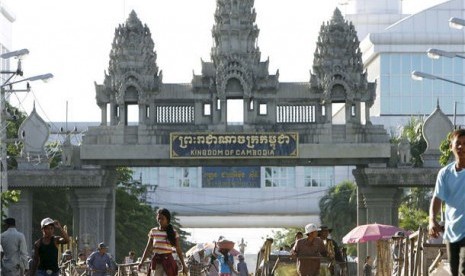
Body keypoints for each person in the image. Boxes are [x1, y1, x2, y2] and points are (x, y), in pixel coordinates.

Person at [429, 129, 465, 276]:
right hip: (451, 232)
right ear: (451, 147)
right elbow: (437, 198)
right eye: (458, 144)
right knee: (454, 272)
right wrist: (432, 220)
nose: (462, 147)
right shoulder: (445, 173)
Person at [137, 208, 188, 276]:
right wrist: (141, 262)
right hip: (157, 263)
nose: (160, 221)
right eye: (158, 218)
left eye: (162, 218)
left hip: (168, 263)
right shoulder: (153, 231)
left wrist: (183, 265)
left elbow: (178, 249)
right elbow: (148, 248)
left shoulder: (173, 232)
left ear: (167, 219)